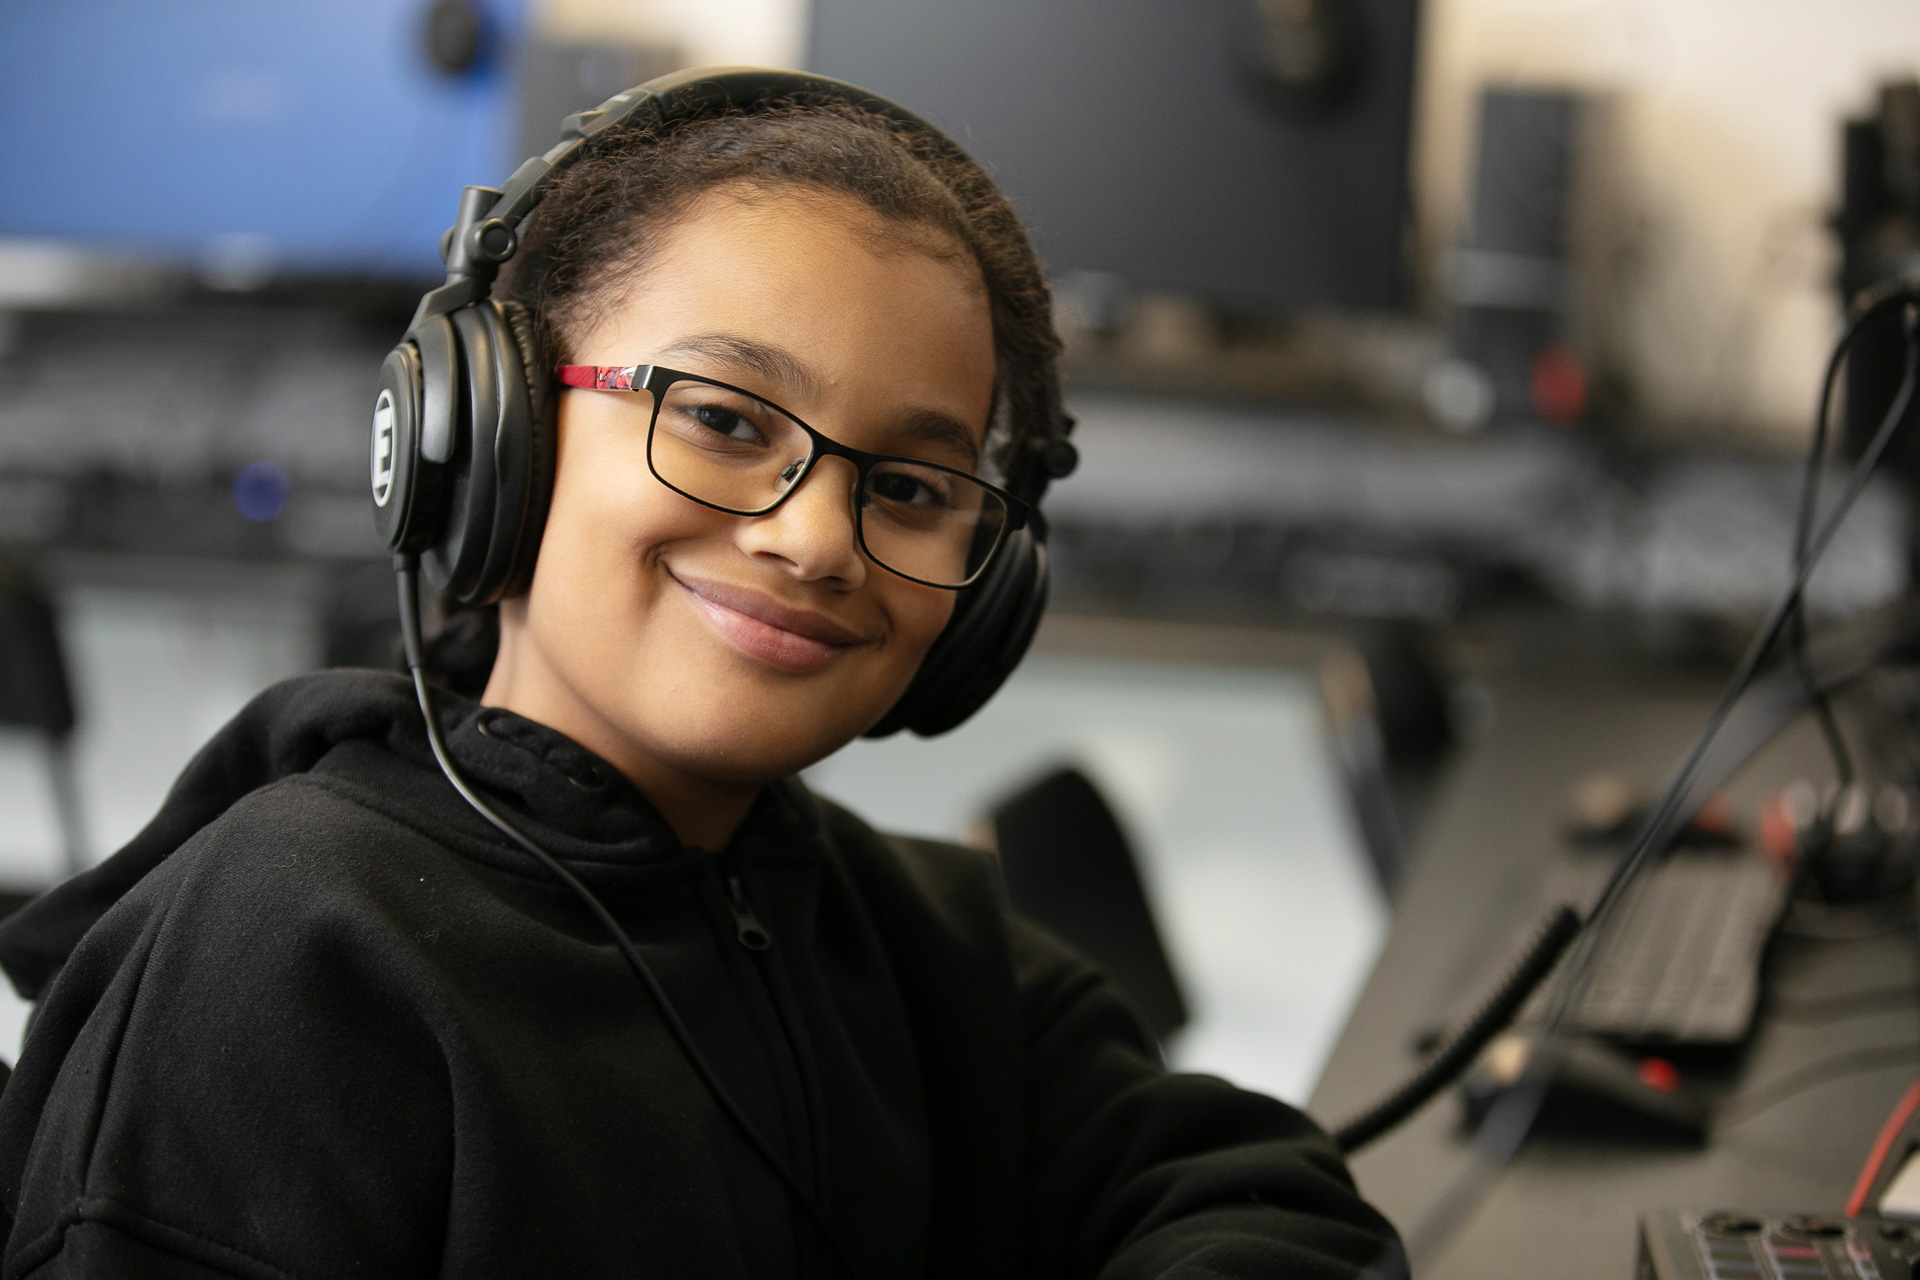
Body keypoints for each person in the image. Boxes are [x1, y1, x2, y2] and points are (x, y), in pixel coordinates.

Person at [0, 71, 1400, 1278]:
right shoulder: (298, 957)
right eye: (725, 420)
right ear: (490, 436)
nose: (815, 539)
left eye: (912, 487)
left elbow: (1264, 1198)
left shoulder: (914, 942)